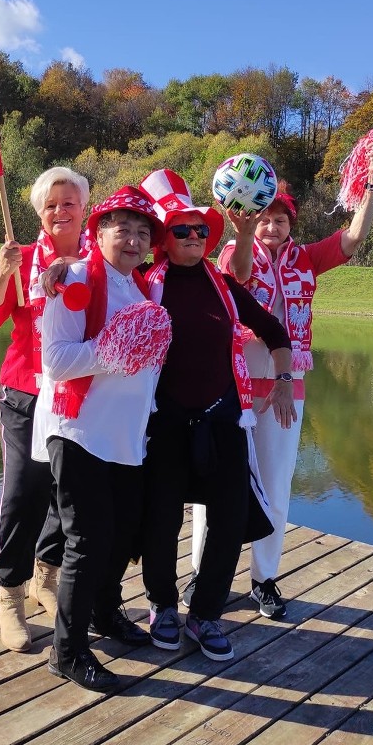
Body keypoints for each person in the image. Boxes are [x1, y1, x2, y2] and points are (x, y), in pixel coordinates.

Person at [199, 148, 373, 621]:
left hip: (287, 386)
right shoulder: (233, 249)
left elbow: (353, 239)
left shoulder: (305, 258)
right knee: (217, 484)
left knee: (277, 483)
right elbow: (238, 274)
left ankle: (264, 578)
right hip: (234, 382)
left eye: (281, 220)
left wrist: (371, 192)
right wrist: (242, 235)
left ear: (291, 226)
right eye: (265, 218)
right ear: (253, 218)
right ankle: (204, 575)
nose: (272, 227)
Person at [137, 169, 294, 663]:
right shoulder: (144, 283)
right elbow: (98, 279)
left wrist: (284, 380)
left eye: (201, 229)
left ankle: (206, 613)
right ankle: (163, 606)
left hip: (223, 419)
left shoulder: (223, 285)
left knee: (228, 519)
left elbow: (274, 331)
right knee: (161, 520)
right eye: (182, 230)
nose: (194, 237)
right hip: (163, 421)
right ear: (164, 237)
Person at [32, 187, 169, 693]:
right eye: (122, 229)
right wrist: (111, 349)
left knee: (121, 535)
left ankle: (104, 613)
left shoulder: (144, 289)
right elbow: (57, 361)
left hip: (125, 437)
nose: (132, 240)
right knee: (86, 542)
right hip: (79, 433)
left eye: (142, 232)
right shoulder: (72, 279)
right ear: (98, 232)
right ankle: (66, 653)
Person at [0, 166, 91, 653]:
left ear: (84, 209)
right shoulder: (25, 260)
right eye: (51, 205)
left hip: (79, 396)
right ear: (40, 213)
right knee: (22, 492)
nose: (61, 211)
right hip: (25, 393)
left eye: (69, 202)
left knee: (71, 493)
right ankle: (10, 594)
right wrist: (2, 269)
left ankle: (46, 573)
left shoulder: (96, 259)